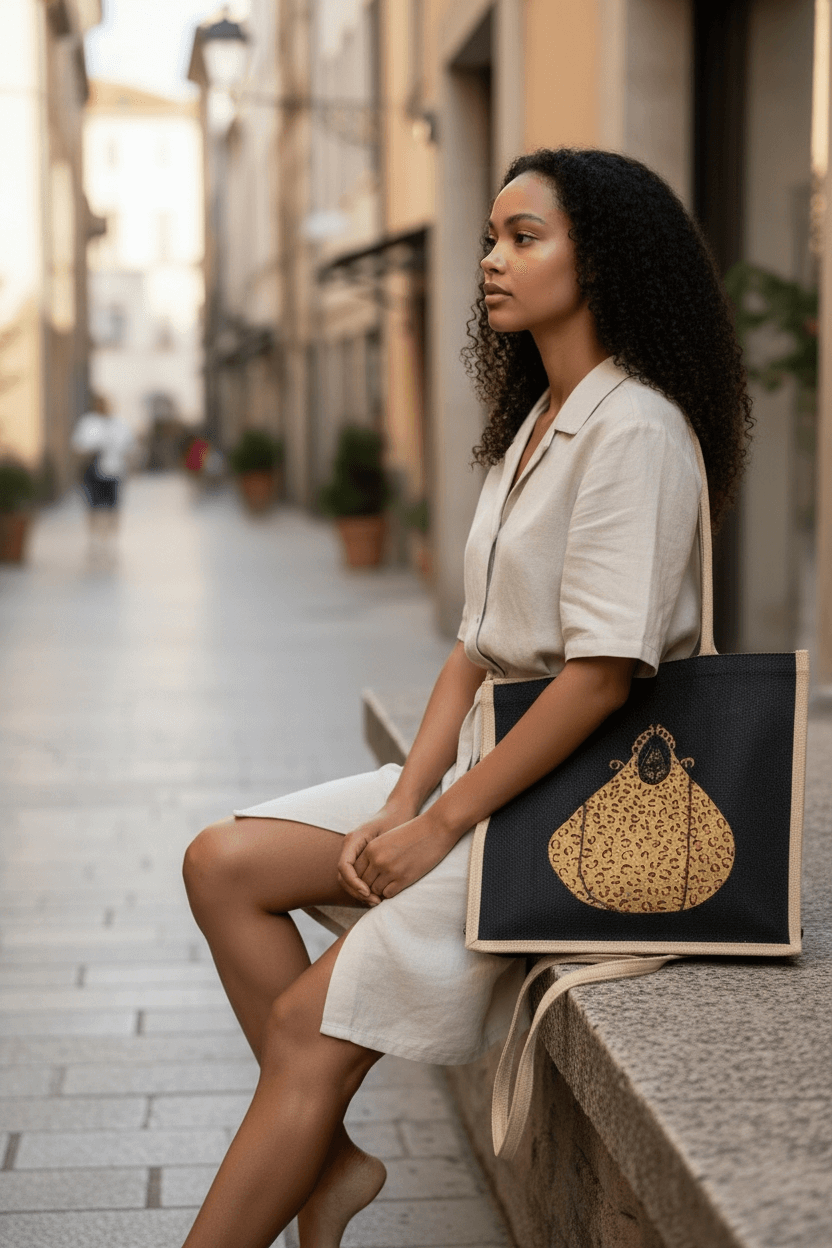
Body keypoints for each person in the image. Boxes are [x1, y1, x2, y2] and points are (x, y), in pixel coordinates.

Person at [180, 148, 752, 1248]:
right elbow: (470, 648)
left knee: (303, 1030)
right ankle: (327, 1161)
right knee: (222, 863)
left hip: (574, 794)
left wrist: (438, 826)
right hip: (493, 766)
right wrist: (405, 798)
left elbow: (599, 677)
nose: (490, 260)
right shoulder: (534, 420)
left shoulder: (635, 428)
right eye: (491, 237)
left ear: (603, 262)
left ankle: (308, 1149)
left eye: (523, 238)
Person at [71, 393, 135, 550]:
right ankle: (95, 536)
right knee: (94, 505)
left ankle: (110, 536)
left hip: (114, 470)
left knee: (112, 506)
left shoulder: (118, 424)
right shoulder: (88, 423)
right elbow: (78, 445)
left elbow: (129, 445)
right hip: (93, 469)